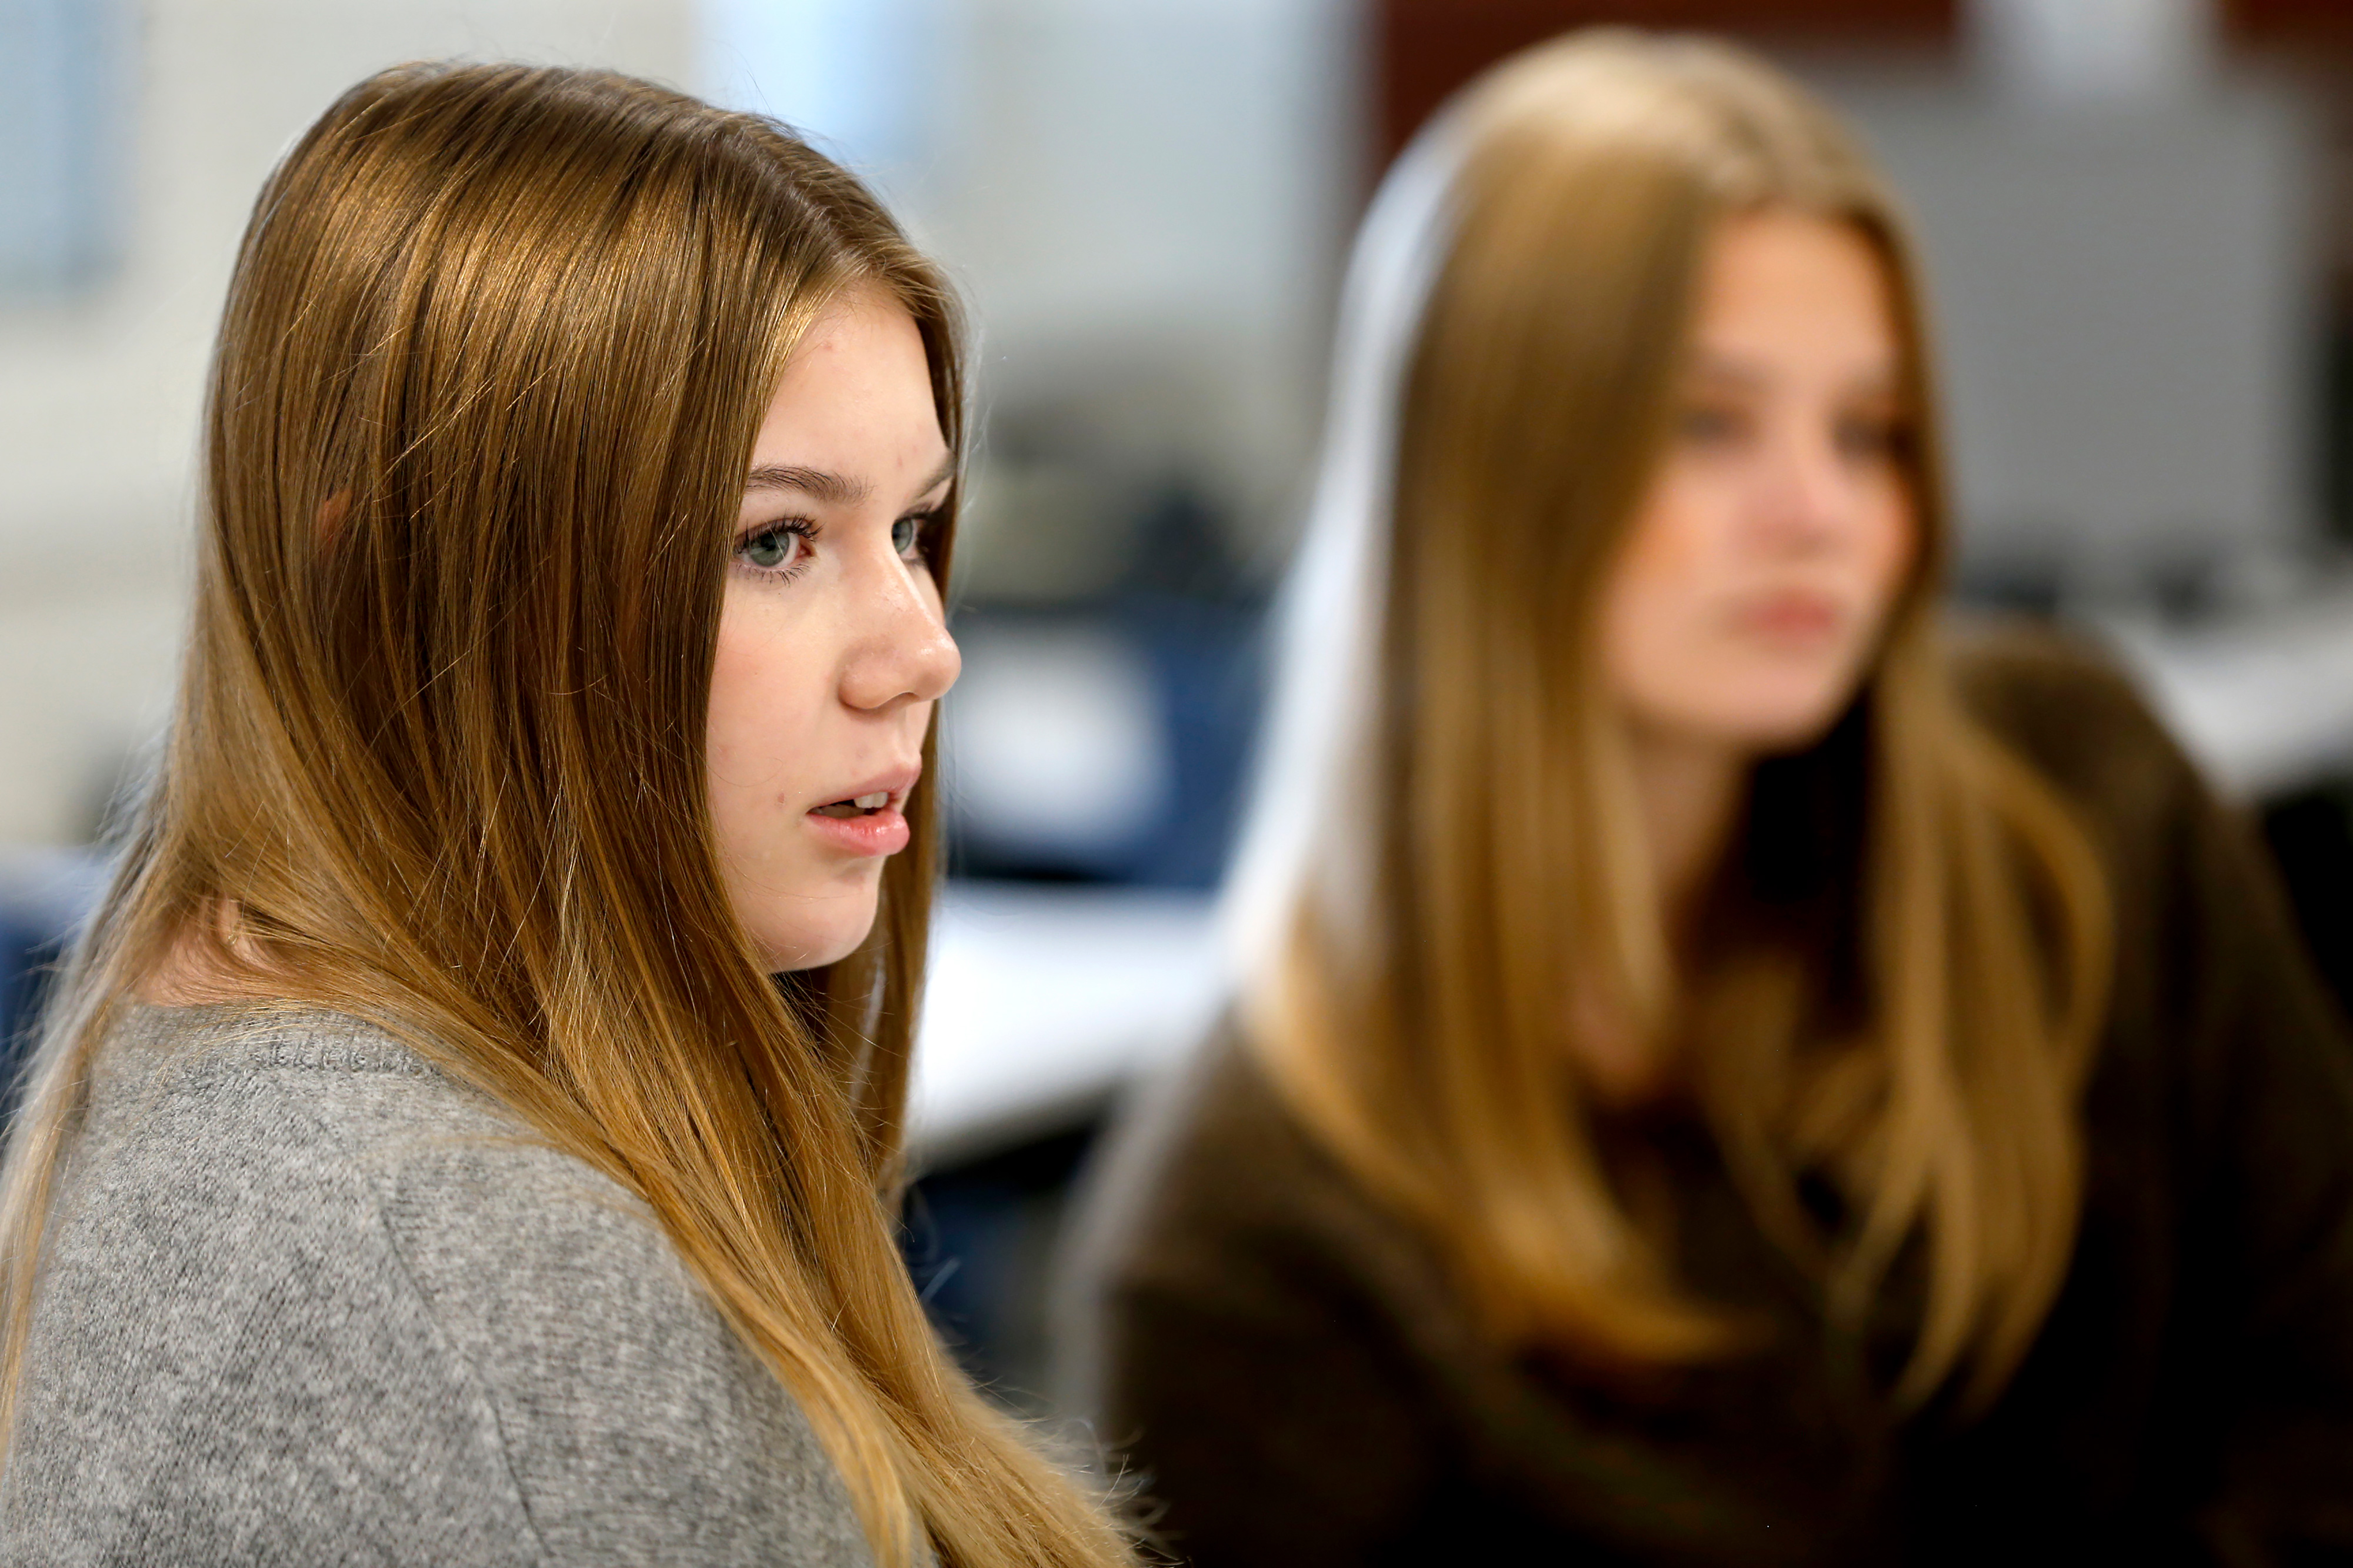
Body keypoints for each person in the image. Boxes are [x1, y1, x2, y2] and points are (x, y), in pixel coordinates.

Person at [1059, 29, 2353, 1566]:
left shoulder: (2080, 806)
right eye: (1709, 424)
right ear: (1497, 480)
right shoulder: (1245, 1241)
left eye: (1868, 433)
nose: (1822, 513)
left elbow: (2323, 1399)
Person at [0, 62, 1133, 1568]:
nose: (924, 648)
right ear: (394, 591)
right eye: (775, 539)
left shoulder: (219, 1067)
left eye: (912, 528)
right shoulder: (504, 1296)